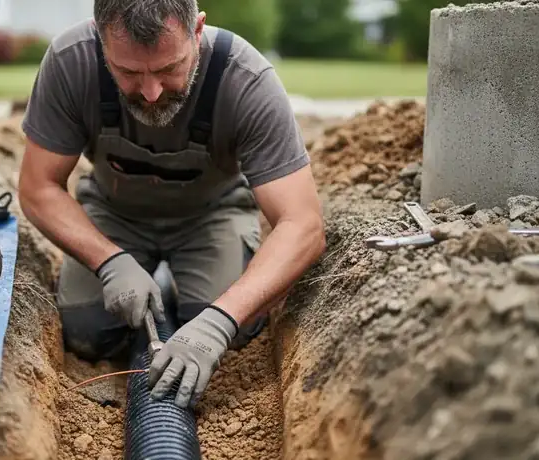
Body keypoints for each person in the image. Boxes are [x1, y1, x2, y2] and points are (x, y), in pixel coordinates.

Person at [18, 0, 326, 410]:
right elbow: (38, 187)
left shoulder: (245, 80)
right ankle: (147, 277)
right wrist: (109, 261)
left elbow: (302, 223)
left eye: (168, 69)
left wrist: (218, 322)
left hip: (211, 214)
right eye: (128, 72)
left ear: (197, 31)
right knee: (87, 330)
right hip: (114, 213)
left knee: (237, 327)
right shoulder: (71, 61)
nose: (150, 92)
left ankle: (192, 299)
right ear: (99, 35)